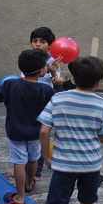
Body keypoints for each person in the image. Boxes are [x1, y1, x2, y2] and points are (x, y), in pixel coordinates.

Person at [37, 56, 103, 204]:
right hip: (91, 164)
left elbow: (44, 132)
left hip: (63, 164)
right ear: (99, 82)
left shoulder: (58, 98)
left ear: (74, 79)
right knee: (87, 201)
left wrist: (46, 156)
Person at [0, 49, 55, 204]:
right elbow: (57, 103)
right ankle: (30, 182)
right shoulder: (45, 89)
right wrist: (56, 82)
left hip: (16, 132)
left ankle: (20, 196)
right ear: (42, 71)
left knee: (19, 161)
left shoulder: (10, 84)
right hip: (36, 133)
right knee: (33, 159)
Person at [25, 27, 64, 181]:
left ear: (50, 46)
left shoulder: (52, 62)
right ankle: (24, 168)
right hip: (29, 102)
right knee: (26, 137)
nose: (37, 44)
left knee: (39, 138)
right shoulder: (28, 58)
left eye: (42, 41)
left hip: (44, 105)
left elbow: (56, 81)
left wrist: (53, 72)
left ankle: (37, 172)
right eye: (34, 41)